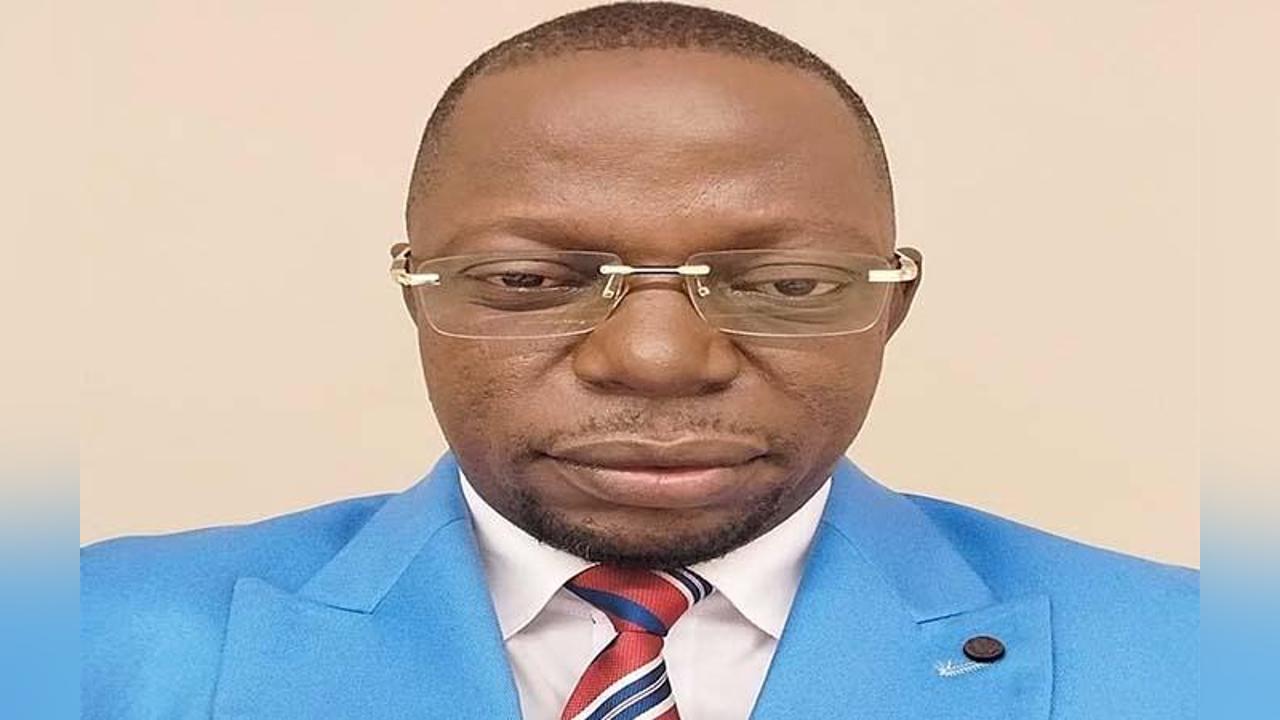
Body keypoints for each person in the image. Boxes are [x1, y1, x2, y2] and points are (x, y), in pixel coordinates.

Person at [80, 3, 1198, 718]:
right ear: (419, 295)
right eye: (530, 281)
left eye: (783, 286)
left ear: (888, 310)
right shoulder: (77, 640)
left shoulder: (1206, 660)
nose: (657, 360)